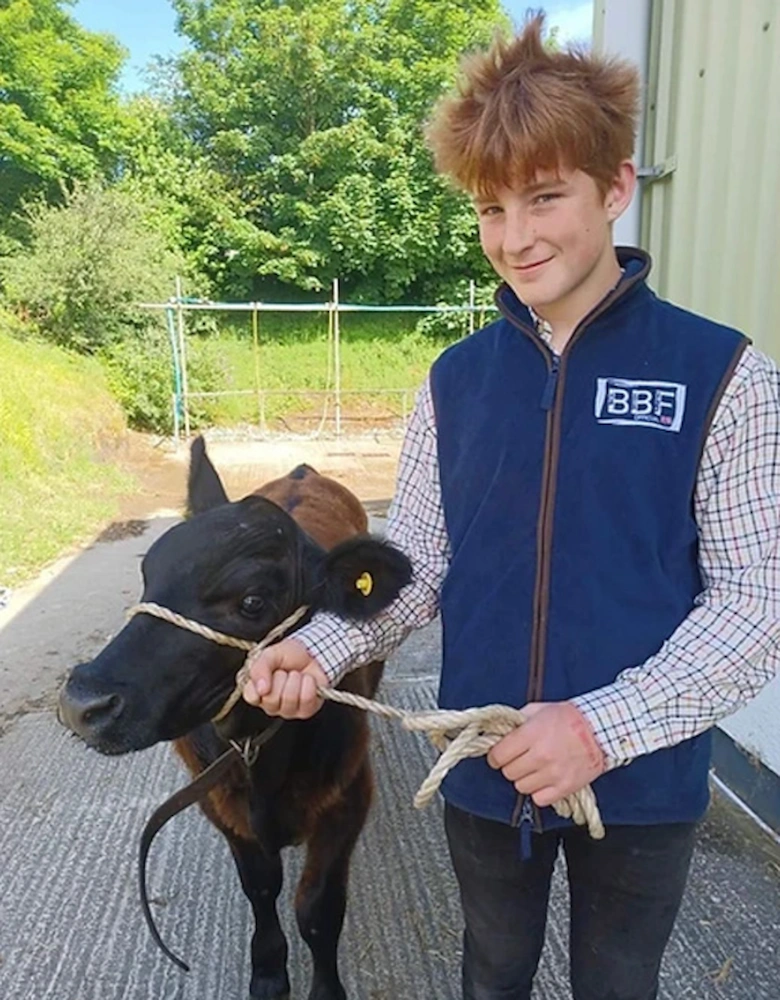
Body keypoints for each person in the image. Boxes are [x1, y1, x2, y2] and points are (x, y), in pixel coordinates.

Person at [242, 15, 780, 1000]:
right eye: (492, 209)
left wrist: (602, 726)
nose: (516, 237)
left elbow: (756, 605)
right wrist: (316, 648)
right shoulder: (454, 381)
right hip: (481, 767)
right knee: (491, 974)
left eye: (545, 196)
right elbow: (414, 557)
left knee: (618, 984)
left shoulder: (725, 374)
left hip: (644, 778)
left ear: (616, 187)